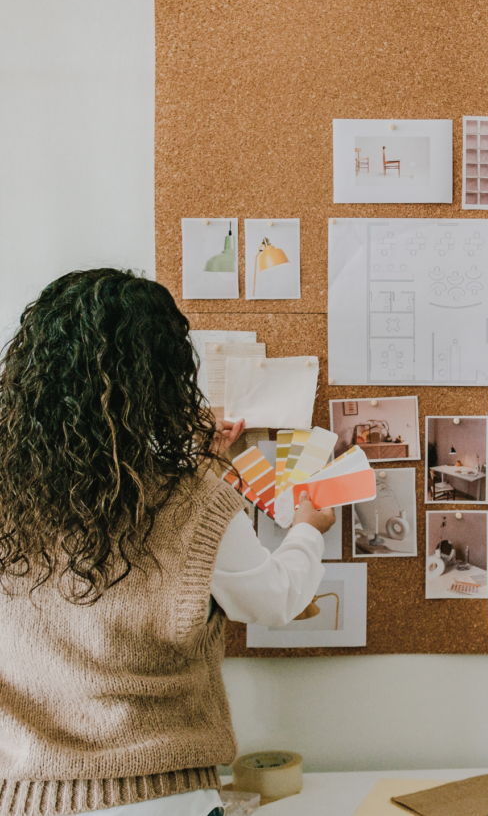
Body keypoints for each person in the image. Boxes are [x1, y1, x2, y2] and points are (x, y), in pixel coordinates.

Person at [0, 269, 335, 816]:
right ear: (165, 380)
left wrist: (205, 474)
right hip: (161, 798)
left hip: (22, 797)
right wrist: (306, 528)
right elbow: (276, 599)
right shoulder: (190, 499)